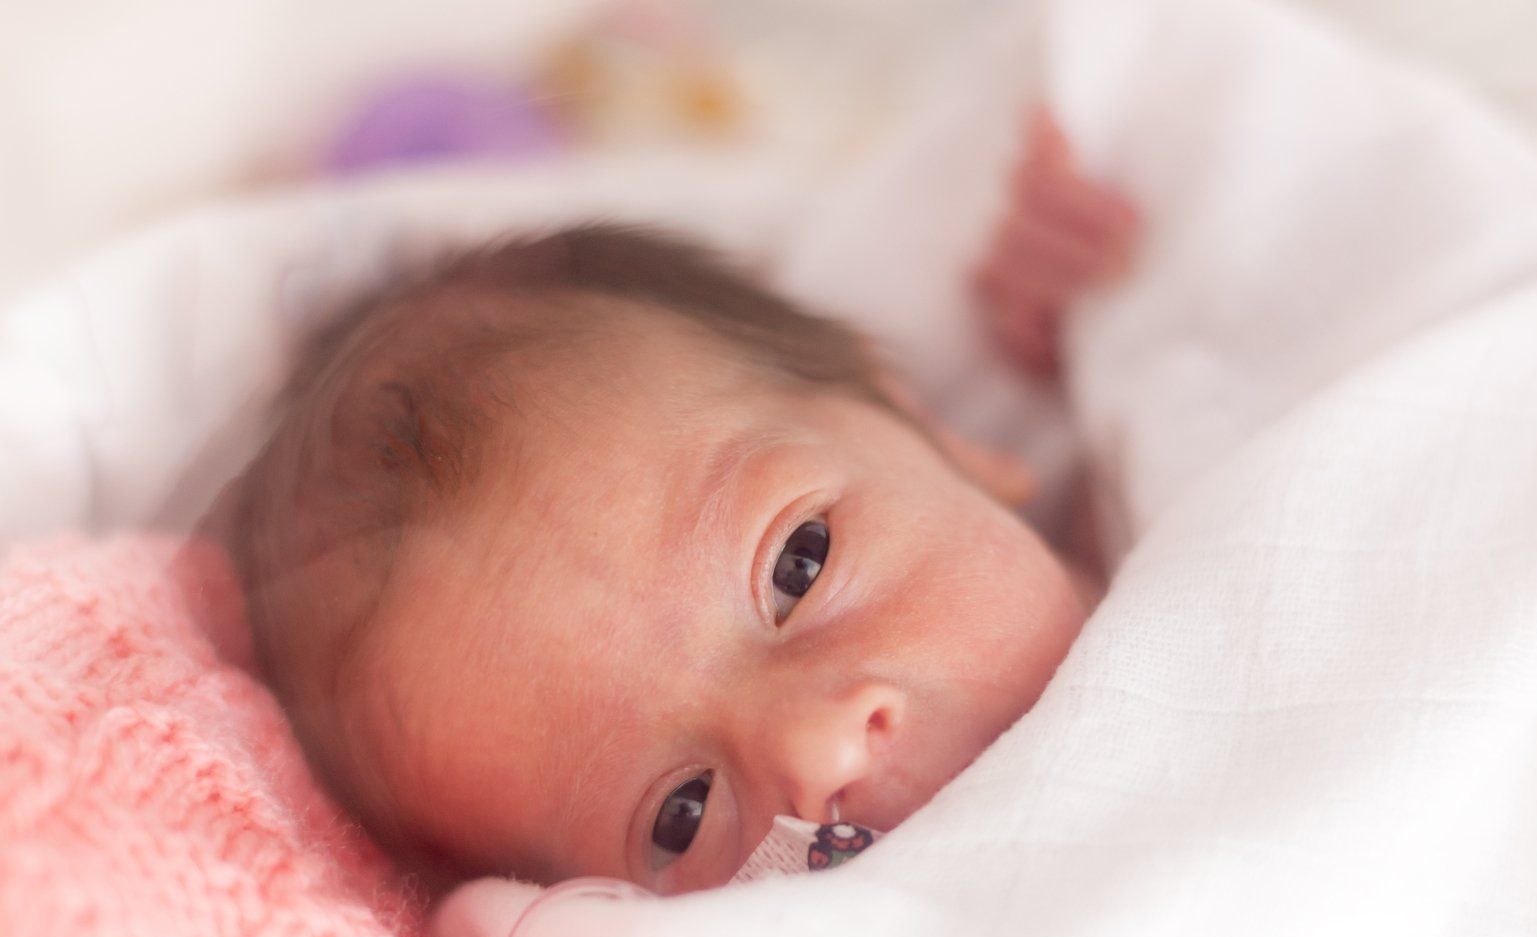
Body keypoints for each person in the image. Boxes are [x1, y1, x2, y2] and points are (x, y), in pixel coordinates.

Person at [225, 111, 1136, 894]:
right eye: (680, 815)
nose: (817, 756)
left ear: (929, 426)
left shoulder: (1167, 466)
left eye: (800, 564)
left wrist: (1121, 290)